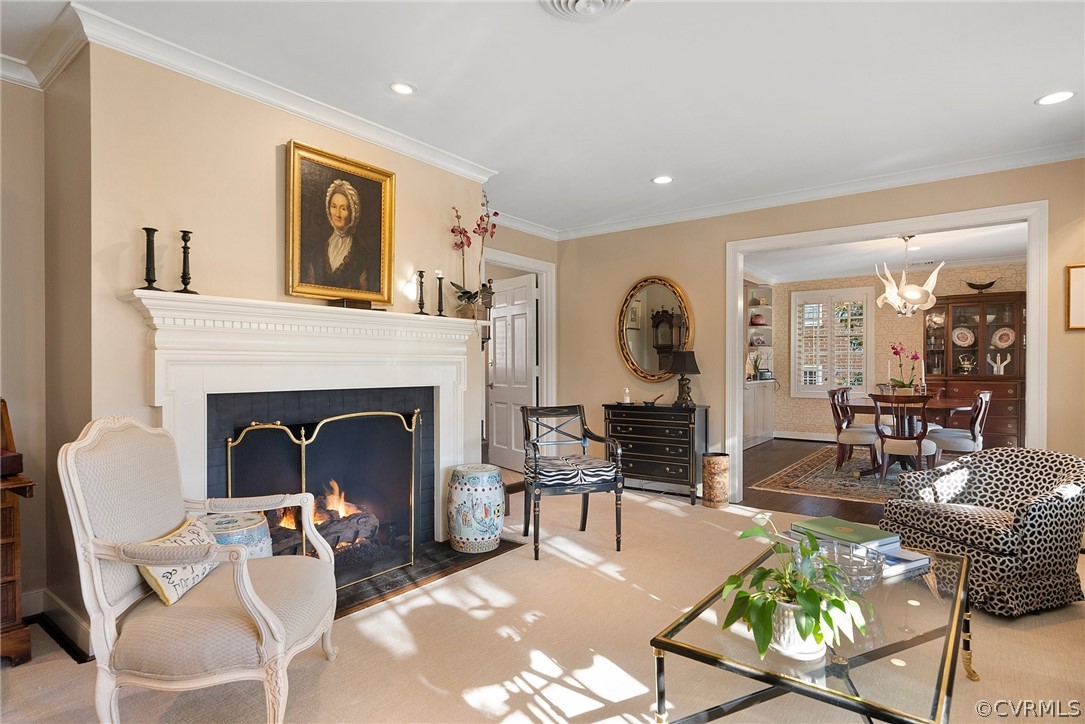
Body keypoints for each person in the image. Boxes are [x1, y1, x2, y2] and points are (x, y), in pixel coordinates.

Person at [301, 179, 372, 291]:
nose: (337, 214)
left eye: (343, 208)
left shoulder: (362, 254)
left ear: (353, 213)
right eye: (333, 206)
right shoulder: (318, 249)